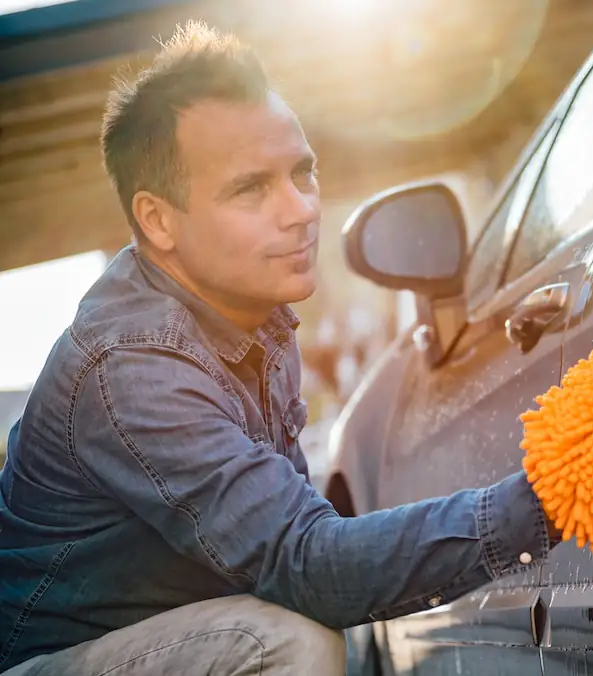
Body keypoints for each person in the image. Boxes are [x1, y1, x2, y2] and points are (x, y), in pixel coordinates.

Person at [0, 21, 558, 675]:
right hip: (52, 662)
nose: (301, 210)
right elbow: (307, 565)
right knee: (287, 643)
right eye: (250, 188)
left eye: (303, 172)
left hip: (167, 637)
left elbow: (295, 542)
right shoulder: (133, 369)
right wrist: (552, 500)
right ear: (158, 219)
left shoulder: (254, 316)